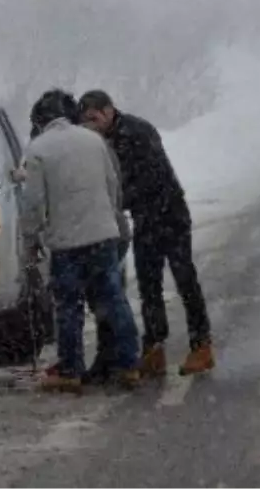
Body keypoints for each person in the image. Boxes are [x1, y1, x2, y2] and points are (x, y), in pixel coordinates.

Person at [78, 89, 214, 377]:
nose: (92, 125)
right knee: (148, 283)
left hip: (169, 213)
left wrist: (117, 200)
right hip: (144, 217)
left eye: (94, 118)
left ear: (109, 110)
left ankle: (201, 345)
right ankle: (154, 348)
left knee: (184, 278)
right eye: (86, 121)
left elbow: (151, 176)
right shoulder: (102, 141)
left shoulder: (136, 132)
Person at [21, 89, 142, 392]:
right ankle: (129, 364)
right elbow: (112, 184)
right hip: (102, 235)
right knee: (113, 299)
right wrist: (113, 221)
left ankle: (71, 369)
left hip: (66, 242)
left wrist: (31, 237)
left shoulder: (38, 150)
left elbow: (34, 202)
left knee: (69, 307)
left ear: (40, 121)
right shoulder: (94, 141)